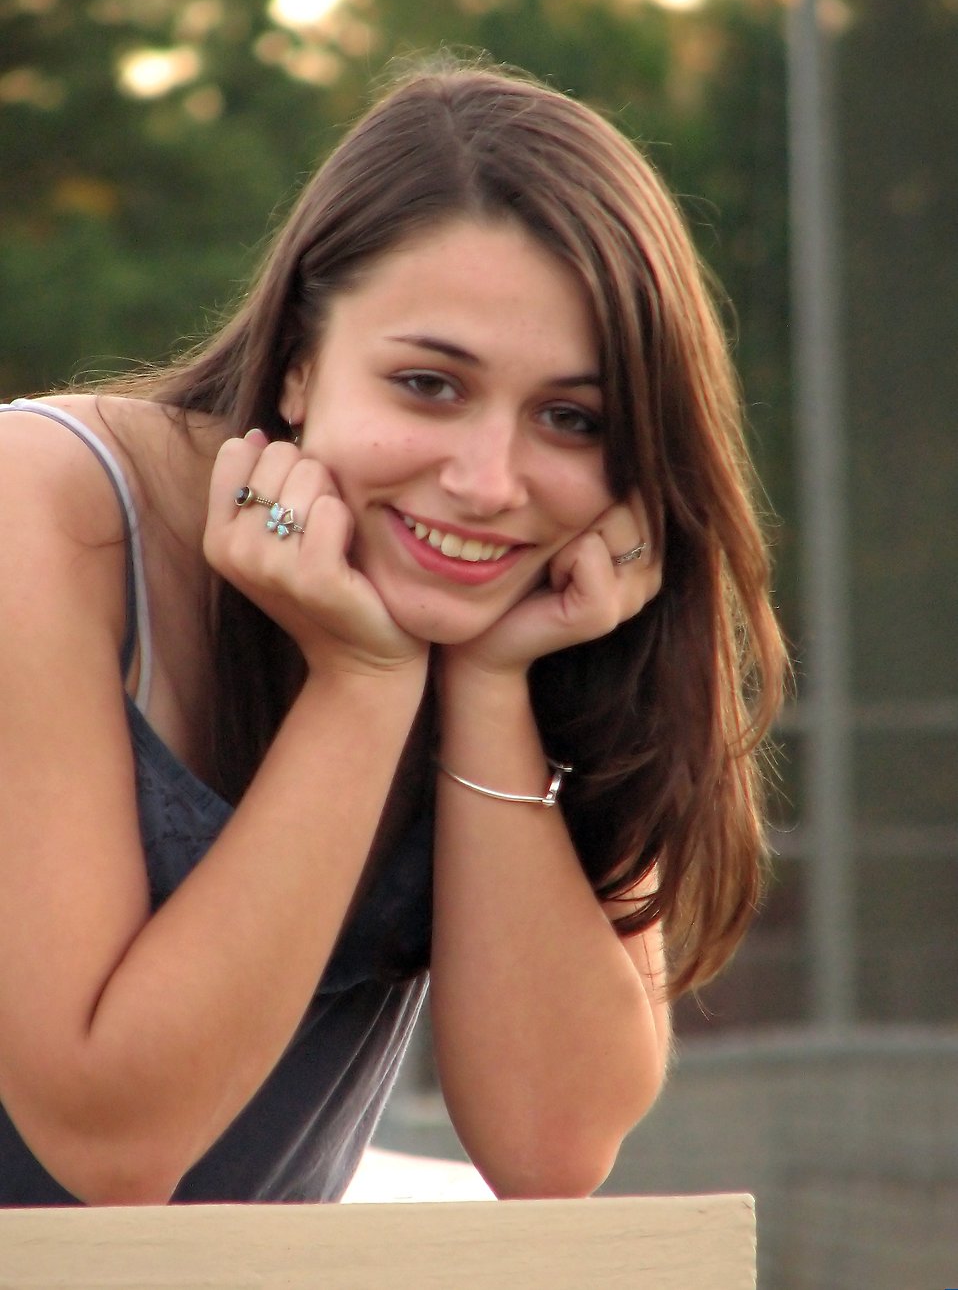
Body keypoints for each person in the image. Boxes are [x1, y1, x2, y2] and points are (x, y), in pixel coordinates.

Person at [0, 59, 786, 1207]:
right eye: (428, 384)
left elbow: (549, 1143)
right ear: (302, 362)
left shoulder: (549, 620)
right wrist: (363, 685)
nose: (487, 480)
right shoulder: (44, 511)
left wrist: (488, 683)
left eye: (571, 418)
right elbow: (109, 1140)